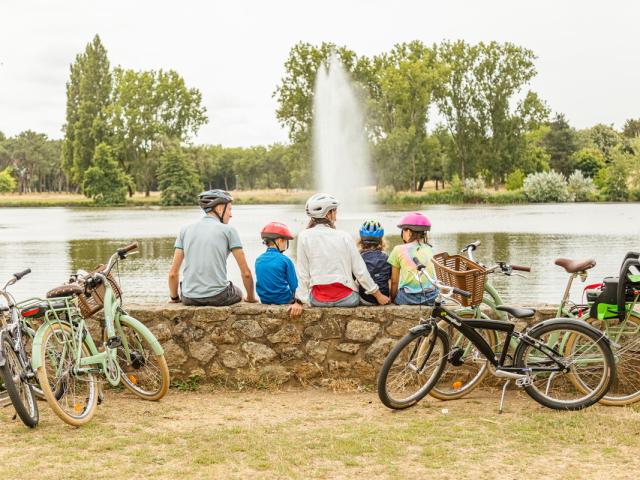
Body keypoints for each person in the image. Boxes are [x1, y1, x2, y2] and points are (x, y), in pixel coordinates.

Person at [294, 193, 390, 309]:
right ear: (328, 214)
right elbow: (360, 271)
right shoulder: (344, 236)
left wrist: (298, 301)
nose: (336, 214)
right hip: (347, 299)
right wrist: (378, 295)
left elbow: (303, 273)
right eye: (334, 211)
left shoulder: (304, 236)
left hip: (318, 300)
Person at [168, 189, 257, 306]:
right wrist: (250, 298)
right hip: (218, 297)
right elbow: (246, 273)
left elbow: (173, 274)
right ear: (220, 208)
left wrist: (175, 298)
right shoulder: (229, 230)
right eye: (229, 209)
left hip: (188, 298)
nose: (231, 214)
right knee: (238, 292)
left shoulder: (184, 229)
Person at [388, 212, 438, 305]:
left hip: (408, 297)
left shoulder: (398, 249)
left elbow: (394, 281)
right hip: (432, 296)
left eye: (403, 230)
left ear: (409, 232)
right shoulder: (432, 249)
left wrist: (393, 299)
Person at [255, 222, 298, 305]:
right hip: (284, 300)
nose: (286, 244)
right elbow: (294, 286)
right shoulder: (285, 260)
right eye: (285, 241)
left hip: (264, 300)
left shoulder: (258, 260)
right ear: (279, 241)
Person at [357, 220, 391, 305]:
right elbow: (390, 280)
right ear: (381, 240)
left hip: (366, 299)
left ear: (361, 240)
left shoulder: (358, 257)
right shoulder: (386, 257)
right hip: (385, 296)